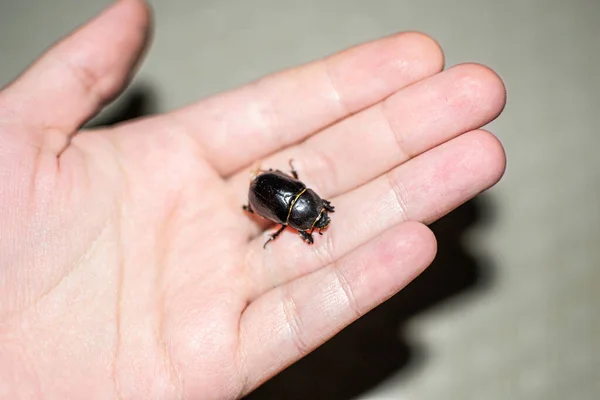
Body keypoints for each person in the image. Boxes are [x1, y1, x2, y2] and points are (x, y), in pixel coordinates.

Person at [0, 0, 506, 398]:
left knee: (278, 205)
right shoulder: (296, 211)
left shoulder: (301, 207)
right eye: (312, 220)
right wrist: (302, 217)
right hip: (273, 194)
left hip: (277, 193)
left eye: (314, 215)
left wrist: (306, 215)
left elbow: (305, 207)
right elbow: (298, 208)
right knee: (269, 206)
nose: (317, 218)